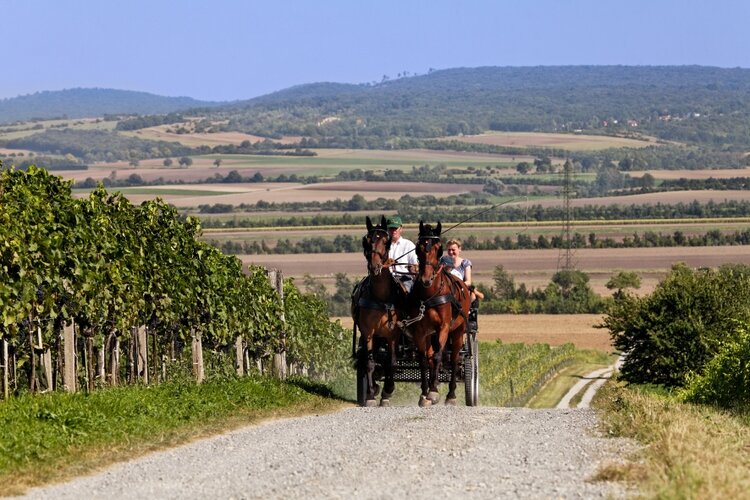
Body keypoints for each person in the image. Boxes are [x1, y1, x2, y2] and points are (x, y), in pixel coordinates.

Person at [439, 239, 483, 332]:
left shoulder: (465, 263)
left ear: (459, 249)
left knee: (472, 295)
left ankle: (465, 313)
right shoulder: (443, 262)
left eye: (453, 250)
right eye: (449, 250)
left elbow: (468, 281)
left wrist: (455, 285)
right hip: (445, 290)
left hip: (460, 289)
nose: (451, 252)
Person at [386, 215, 418, 293]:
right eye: (391, 229)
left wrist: (413, 268)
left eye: (395, 228)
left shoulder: (409, 245)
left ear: (401, 229)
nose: (393, 231)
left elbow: (415, 264)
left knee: (407, 292)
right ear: (387, 230)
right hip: (386, 278)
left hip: (404, 278)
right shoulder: (382, 245)